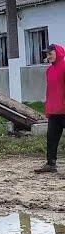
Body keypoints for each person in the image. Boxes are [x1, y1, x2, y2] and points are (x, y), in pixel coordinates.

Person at [35, 44, 65, 173]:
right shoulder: (49, 70)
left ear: (58, 53)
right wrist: (48, 108)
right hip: (54, 110)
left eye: (50, 53)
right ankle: (51, 164)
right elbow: (50, 91)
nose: (48, 56)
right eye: (47, 54)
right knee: (51, 138)